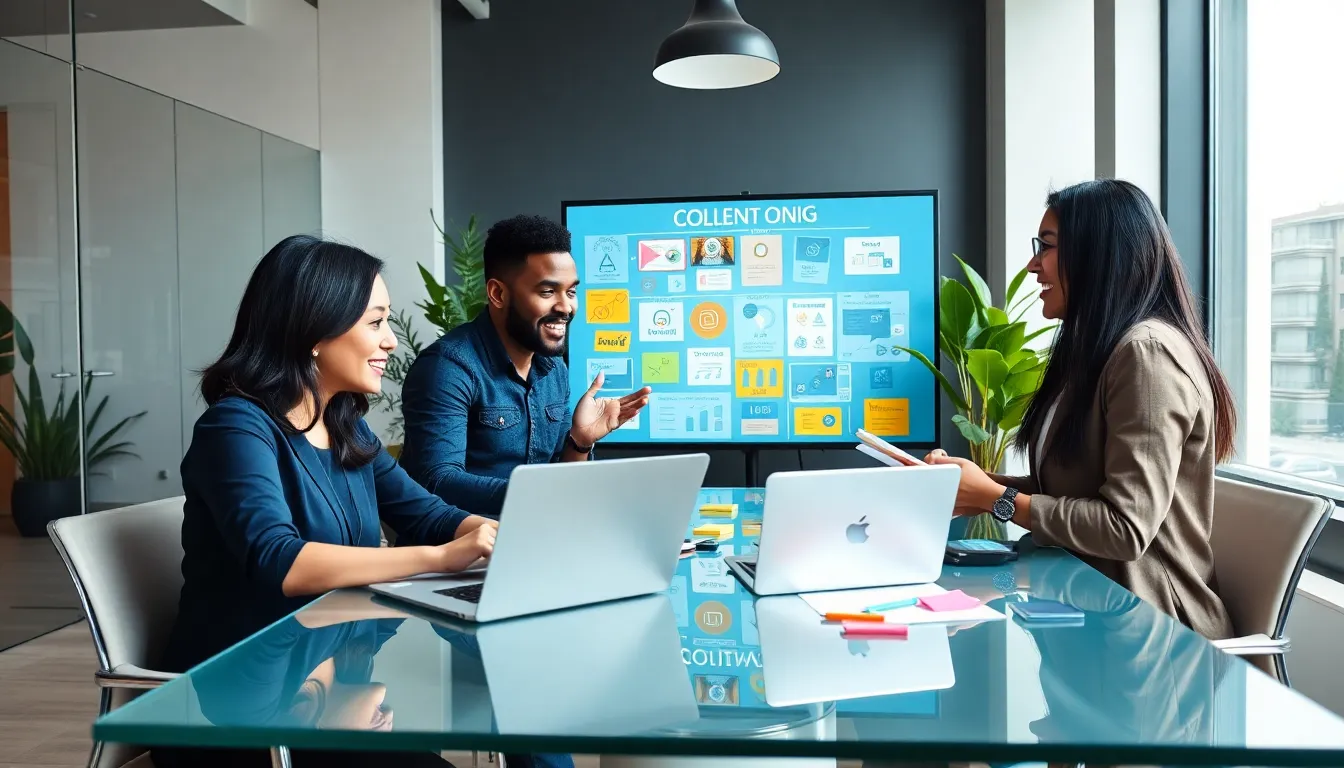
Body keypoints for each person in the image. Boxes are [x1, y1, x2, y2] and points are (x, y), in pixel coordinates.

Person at [158, 235, 498, 765]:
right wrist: (438, 559)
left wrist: (499, 534)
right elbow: (280, 560)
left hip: (326, 671)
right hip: (243, 708)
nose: (390, 341)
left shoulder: (345, 428)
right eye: (375, 322)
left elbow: (427, 513)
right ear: (315, 328)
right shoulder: (236, 427)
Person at [926, 179, 1237, 640]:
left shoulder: (1147, 354)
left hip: (1156, 638)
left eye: (1046, 247)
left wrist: (998, 501)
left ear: (1098, 256)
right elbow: (1080, 487)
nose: (1033, 265)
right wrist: (981, 484)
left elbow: (1124, 528)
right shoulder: (1099, 352)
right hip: (1094, 610)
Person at [399, 214, 650, 517]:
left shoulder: (553, 368)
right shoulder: (447, 368)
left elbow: (560, 479)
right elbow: (437, 481)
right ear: (498, 294)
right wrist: (541, 493)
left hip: (533, 541)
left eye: (571, 292)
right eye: (547, 292)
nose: (566, 307)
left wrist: (579, 441)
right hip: (459, 554)